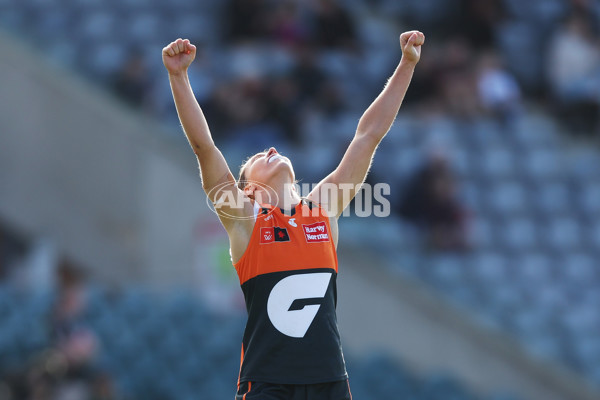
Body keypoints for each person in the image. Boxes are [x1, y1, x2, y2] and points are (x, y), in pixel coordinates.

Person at [162, 30, 424, 400]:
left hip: (329, 382)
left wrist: (406, 64)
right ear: (248, 190)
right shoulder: (246, 223)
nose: (269, 148)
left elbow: (368, 135)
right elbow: (205, 148)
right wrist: (178, 76)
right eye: (255, 158)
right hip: (269, 384)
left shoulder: (322, 210)